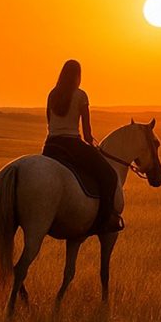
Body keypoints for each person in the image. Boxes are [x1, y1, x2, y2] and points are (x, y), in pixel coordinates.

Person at [42, 60, 122, 234]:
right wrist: (92, 144)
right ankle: (105, 221)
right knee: (108, 175)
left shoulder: (52, 94)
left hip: (50, 146)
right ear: (78, 76)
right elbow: (86, 133)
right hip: (71, 144)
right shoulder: (81, 95)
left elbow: (50, 122)